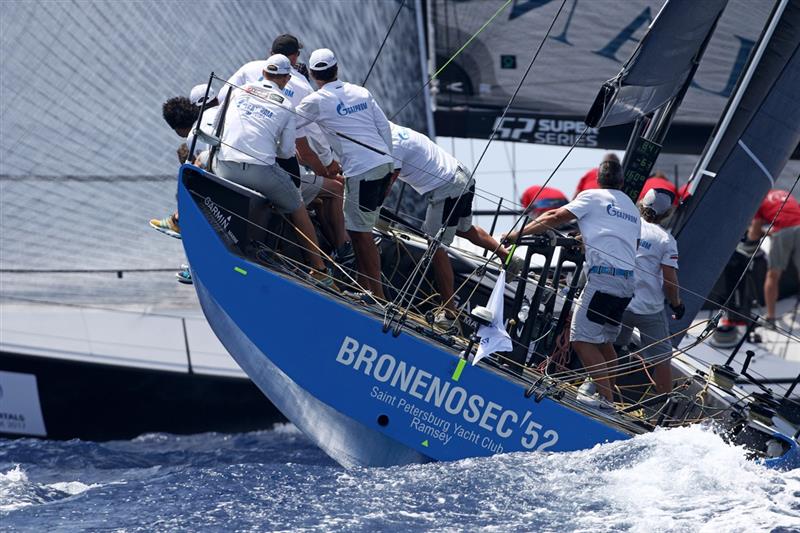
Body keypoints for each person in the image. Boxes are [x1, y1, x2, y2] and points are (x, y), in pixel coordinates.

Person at [506, 160, 640, 404]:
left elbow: (557, 216)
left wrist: (516, 235)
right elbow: (627, 241)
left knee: (580, 340)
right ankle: (613, 398)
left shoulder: (592, 196)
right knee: (605, 340)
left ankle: (605, 400)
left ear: (599, 181)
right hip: (627, 282)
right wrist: (585, 237)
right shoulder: (631, 207)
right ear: (621, 183)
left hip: (603, 279)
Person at [211, 54, 335, 287]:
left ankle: (181, 220)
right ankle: (319, 269)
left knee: (201, 161)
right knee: (297, 204)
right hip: (260, 172)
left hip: (225, 167)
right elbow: (287, 152)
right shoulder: (286, 105)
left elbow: (217, 124)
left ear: (264, 73)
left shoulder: (239, 90)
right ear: (287, 79)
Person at [218, 35, 349, 254]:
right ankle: (332, 257)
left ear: (269, 58)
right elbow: (297, 150)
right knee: (324, 193)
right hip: (264, 169)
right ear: (295, 59)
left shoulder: (247, 76)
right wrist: (329, 166)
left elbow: (222, 98)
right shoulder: (300, 92)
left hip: (225, 161)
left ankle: (179, 219)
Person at [389, 122, 521, 329]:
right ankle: (508, 257)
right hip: (462, 176)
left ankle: (449, 314)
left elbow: (388, 181)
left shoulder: (392, 144)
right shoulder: (398, 131)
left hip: (447, 186)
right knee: (462, 228)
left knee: (436, 246)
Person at [296, 48, 394, 301]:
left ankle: (376, 296)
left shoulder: (316, 100)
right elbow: (384, 127)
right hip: (383, 164)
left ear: (314, 75)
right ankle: (365, 288)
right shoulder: (362, 92)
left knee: (361, 235)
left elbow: (288, 122)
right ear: (336, 69)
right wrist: (387, 162)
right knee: (361, 228)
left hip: (361, 171)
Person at [616, 188, 684, 394]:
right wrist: (677, 304)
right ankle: (661, 406)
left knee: (613, 345)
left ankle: (596, 389)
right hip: (648, 311)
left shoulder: (626, 225)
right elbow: (670, 282)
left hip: (619, 302)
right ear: (667, 213)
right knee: (663, 357)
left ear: (642, 204)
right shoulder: (666, 241)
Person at [747, 189, 800, 326]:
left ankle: (770, 318)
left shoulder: (759, 199)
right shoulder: (783, 192)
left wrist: (762, 232)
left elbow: (753, 234)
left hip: (782, 231)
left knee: (773, 275)